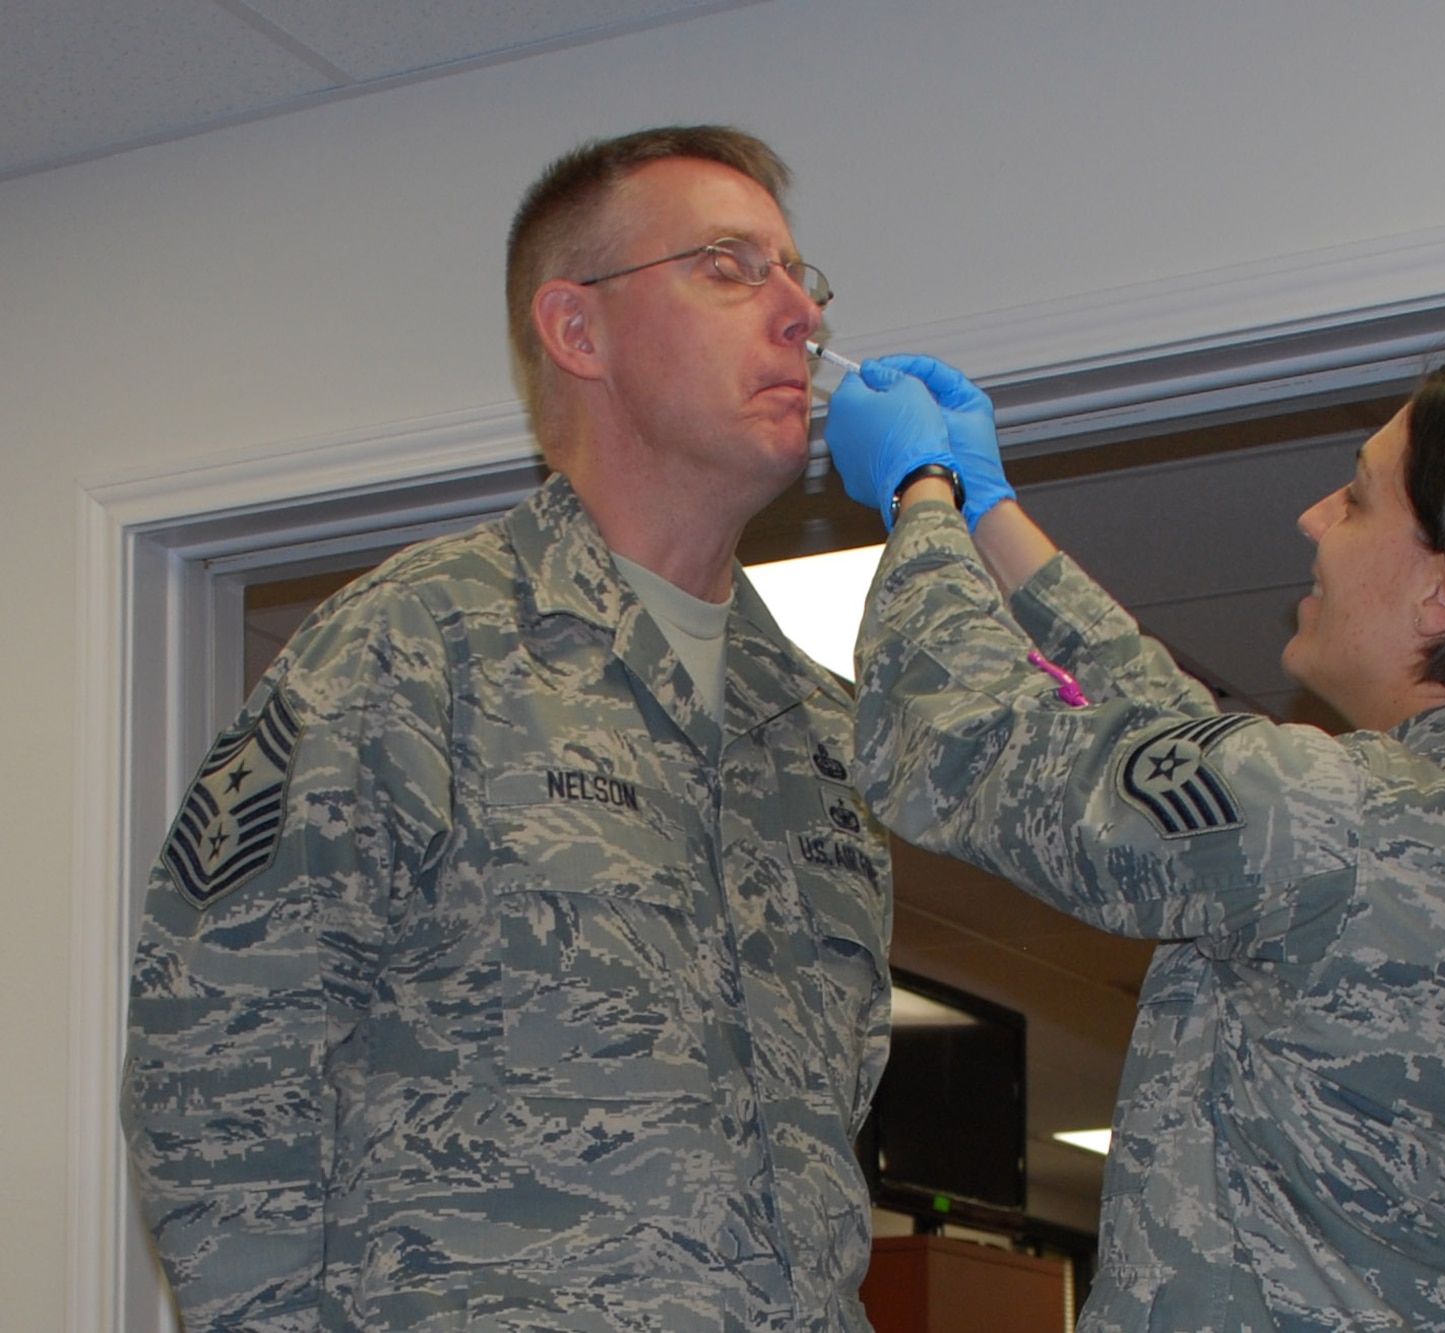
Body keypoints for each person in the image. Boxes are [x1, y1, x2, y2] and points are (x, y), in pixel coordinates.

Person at [121, 126, 892, 1332]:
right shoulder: (412, 652)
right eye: (731, 267)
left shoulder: (818, 734)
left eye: (804, 279)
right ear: (576, 331)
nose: (799, 313)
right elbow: (217, 1074)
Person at [821, 350, 1445, 1331]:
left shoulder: (1332, 820)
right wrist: (994, 516)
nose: (1314, 519)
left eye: (1356, 499)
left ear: (1443, 590)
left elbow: (961, 740)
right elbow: (1184, 770)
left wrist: (923, 496)